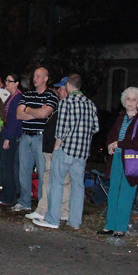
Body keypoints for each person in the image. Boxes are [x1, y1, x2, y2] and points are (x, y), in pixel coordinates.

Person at [33, 74, 99, 229]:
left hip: (66, 149)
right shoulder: (90, 104)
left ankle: (52, 219)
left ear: (69, 85)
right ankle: (75, 221)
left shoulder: (66, 102)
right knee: (78, 186)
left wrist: (56, 148)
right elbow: (95, 128)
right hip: (82, 152)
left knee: (56, 183)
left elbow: (61, 130)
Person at [100, 87, 138, 237]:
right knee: (113, 191)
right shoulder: (120, 119)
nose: (130, 102)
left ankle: (120, 227)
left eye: (134, 99)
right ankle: (110, 224)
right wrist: (110, 145)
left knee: (126, 193)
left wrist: (120, 144)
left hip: (131, 161)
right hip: (117, 158)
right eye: (128, 99)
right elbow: (111, 135)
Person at [25, 78, 71, 223]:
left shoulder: (67, 106)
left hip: (55, 149)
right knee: (61, 180)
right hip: (51, 148)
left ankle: (44, 210)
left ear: (68, 88)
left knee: (50, 179)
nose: (58, 91)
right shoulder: (61, 105)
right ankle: (63, 211)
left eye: (60, 88)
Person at [13, 67, 59, 212]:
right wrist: (36, 112)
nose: (35, 78)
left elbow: (45, 113)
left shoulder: (51, 96)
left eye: (38, 76)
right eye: (34, 76)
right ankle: (25, 201)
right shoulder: (27, 94)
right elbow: (19, 115)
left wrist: (28, 109)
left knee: (42, 171)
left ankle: (42, 204)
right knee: (24, 171)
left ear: (46, 78)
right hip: (26, 136)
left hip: (41, 137)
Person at [0, 73, 22, 206]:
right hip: (5, 134)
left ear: (16, 83)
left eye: (9, 81)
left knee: (7, 167)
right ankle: (7, 194)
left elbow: (14, 120)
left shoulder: (17, 98)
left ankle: (9, 196)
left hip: (10, 136)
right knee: (4, 166)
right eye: (6, 81)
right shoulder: (11, 97)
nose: (6, 83)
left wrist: (7, 138)